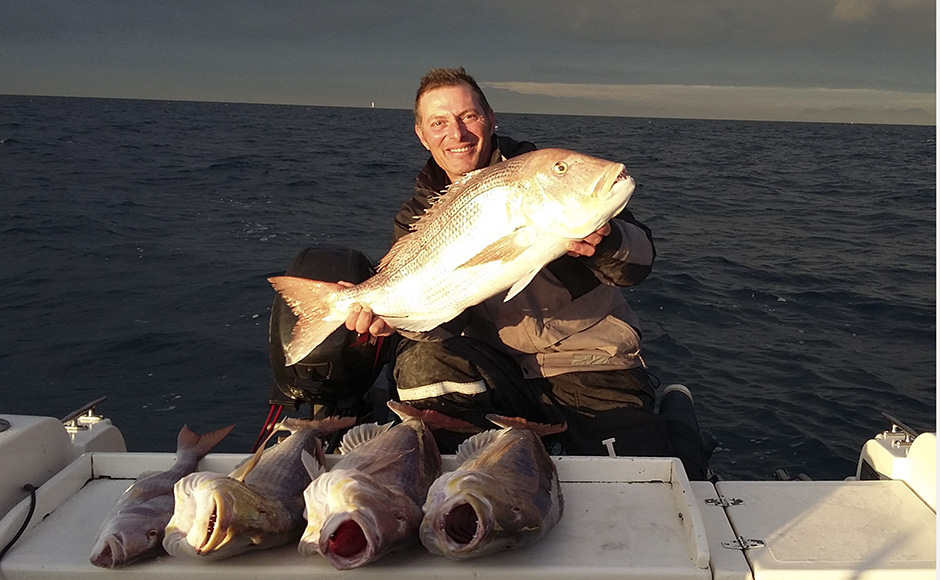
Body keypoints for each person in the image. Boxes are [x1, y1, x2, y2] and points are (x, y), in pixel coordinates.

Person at [345, 67, 709, 478]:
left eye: (469, 116)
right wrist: (392, 319)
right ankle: (471, 455)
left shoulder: (536, 171)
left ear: (491, 117)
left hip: (588, 359)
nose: (458, 134)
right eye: (439, 123)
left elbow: (638, 265)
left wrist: (605, 243)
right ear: (422, 135)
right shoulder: (417, 215)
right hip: (496, 366)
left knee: (634, 482)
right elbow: (441, 322)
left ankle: (677, 429)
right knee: (418, 365)